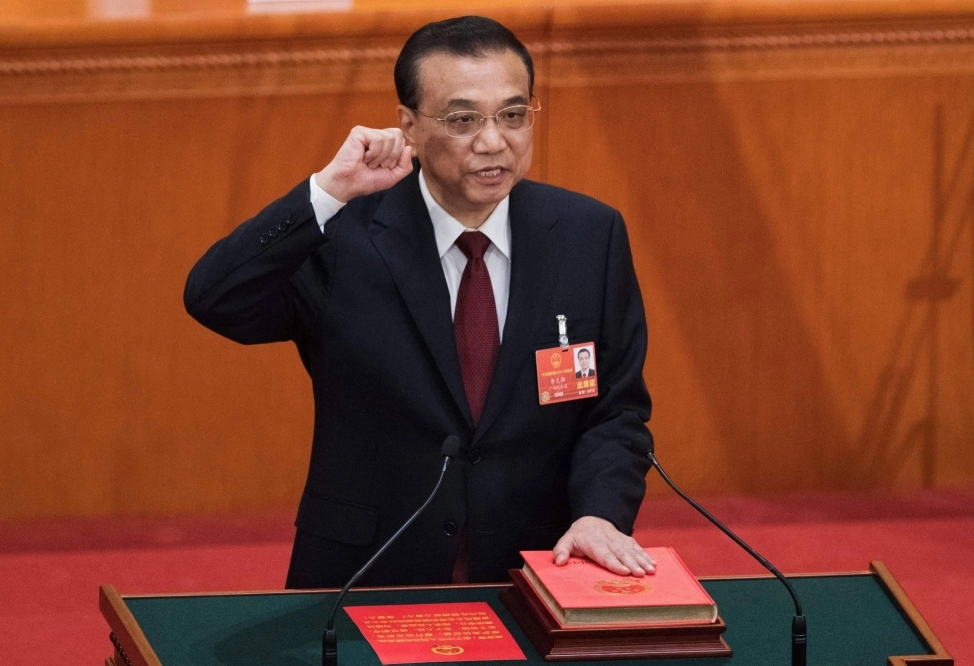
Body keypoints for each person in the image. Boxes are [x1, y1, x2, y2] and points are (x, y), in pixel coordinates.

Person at [184, 15, 655, 588]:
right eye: (462, 119)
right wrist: (326, 193)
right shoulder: (345, 235)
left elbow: (616, 410)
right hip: (364, 576)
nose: (493, 141)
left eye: (512, 115)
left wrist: (598, 513)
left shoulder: (588, 234)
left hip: (534, 573)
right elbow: (215, 298)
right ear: (408, 125)